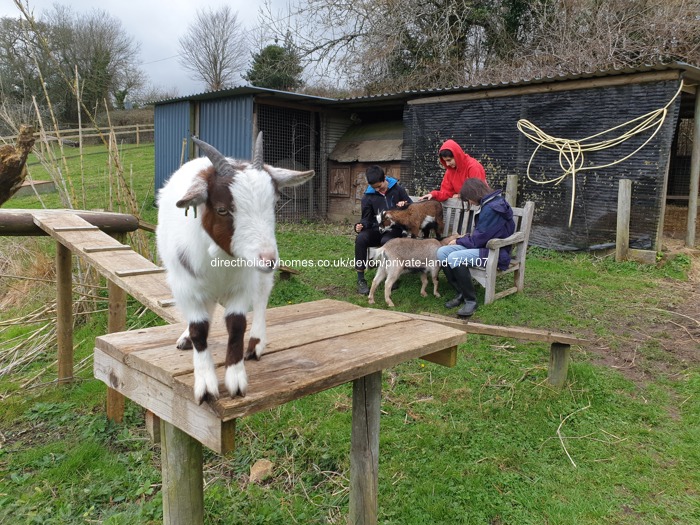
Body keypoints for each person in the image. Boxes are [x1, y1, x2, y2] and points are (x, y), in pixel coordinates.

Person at [437, 178, 515, 317]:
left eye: (469, 200)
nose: (470, 203)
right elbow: (481, 236)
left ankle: (471, 300)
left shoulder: (492, 208)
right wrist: (461, 241)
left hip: (495, 253)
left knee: (455, 257)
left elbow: (479, 239)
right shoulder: (491, 203)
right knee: (442, 252)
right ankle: (461, 292)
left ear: (474, 194)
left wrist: (458, 241)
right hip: (485, 247)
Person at [354, 165, 411, 294]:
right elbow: (366, 219)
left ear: (385, 178)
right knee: (361, 238)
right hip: (376, 229)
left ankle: (392, 275)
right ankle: (361, 279)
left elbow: (411, 208)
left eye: (380, 186)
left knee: (387, 240)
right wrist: (360, 226)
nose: (378, 189)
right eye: (375, 188)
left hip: (395, 229)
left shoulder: (398, 190)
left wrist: (404, 205)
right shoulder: (368, 196)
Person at [420, 139, 486, 202]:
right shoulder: (450, 170)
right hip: (462, 207)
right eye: (445, 161)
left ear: (457, 155)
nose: (447, 164)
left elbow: (478, 192)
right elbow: (446, 193)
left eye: (449, 160)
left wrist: (460, 196)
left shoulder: (473, 167)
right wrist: (433, 195)